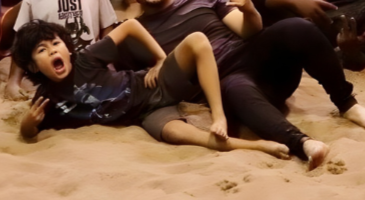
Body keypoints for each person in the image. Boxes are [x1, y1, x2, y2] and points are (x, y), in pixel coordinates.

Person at [122, 0, 365, 167]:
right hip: (223, 84)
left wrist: (248, 9)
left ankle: (347, 104)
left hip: (256, 59)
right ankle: (303, 144)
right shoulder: (134, 34)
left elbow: (249, 30)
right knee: (235, 87)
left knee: (297, 26)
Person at [14, 17, 287, 159]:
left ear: (67, 46)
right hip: (145, 116)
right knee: (179, 135)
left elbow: (131, 25)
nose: (53, 51)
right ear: (34, 67)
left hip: (154, 87)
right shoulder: (47, 98)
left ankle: (219, 116)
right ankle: (259, 146)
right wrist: (27, 124)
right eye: (42, 50)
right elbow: (30, 132)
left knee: (197, 40)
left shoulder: (85, 59)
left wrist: (159, 59)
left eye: (56, 43)